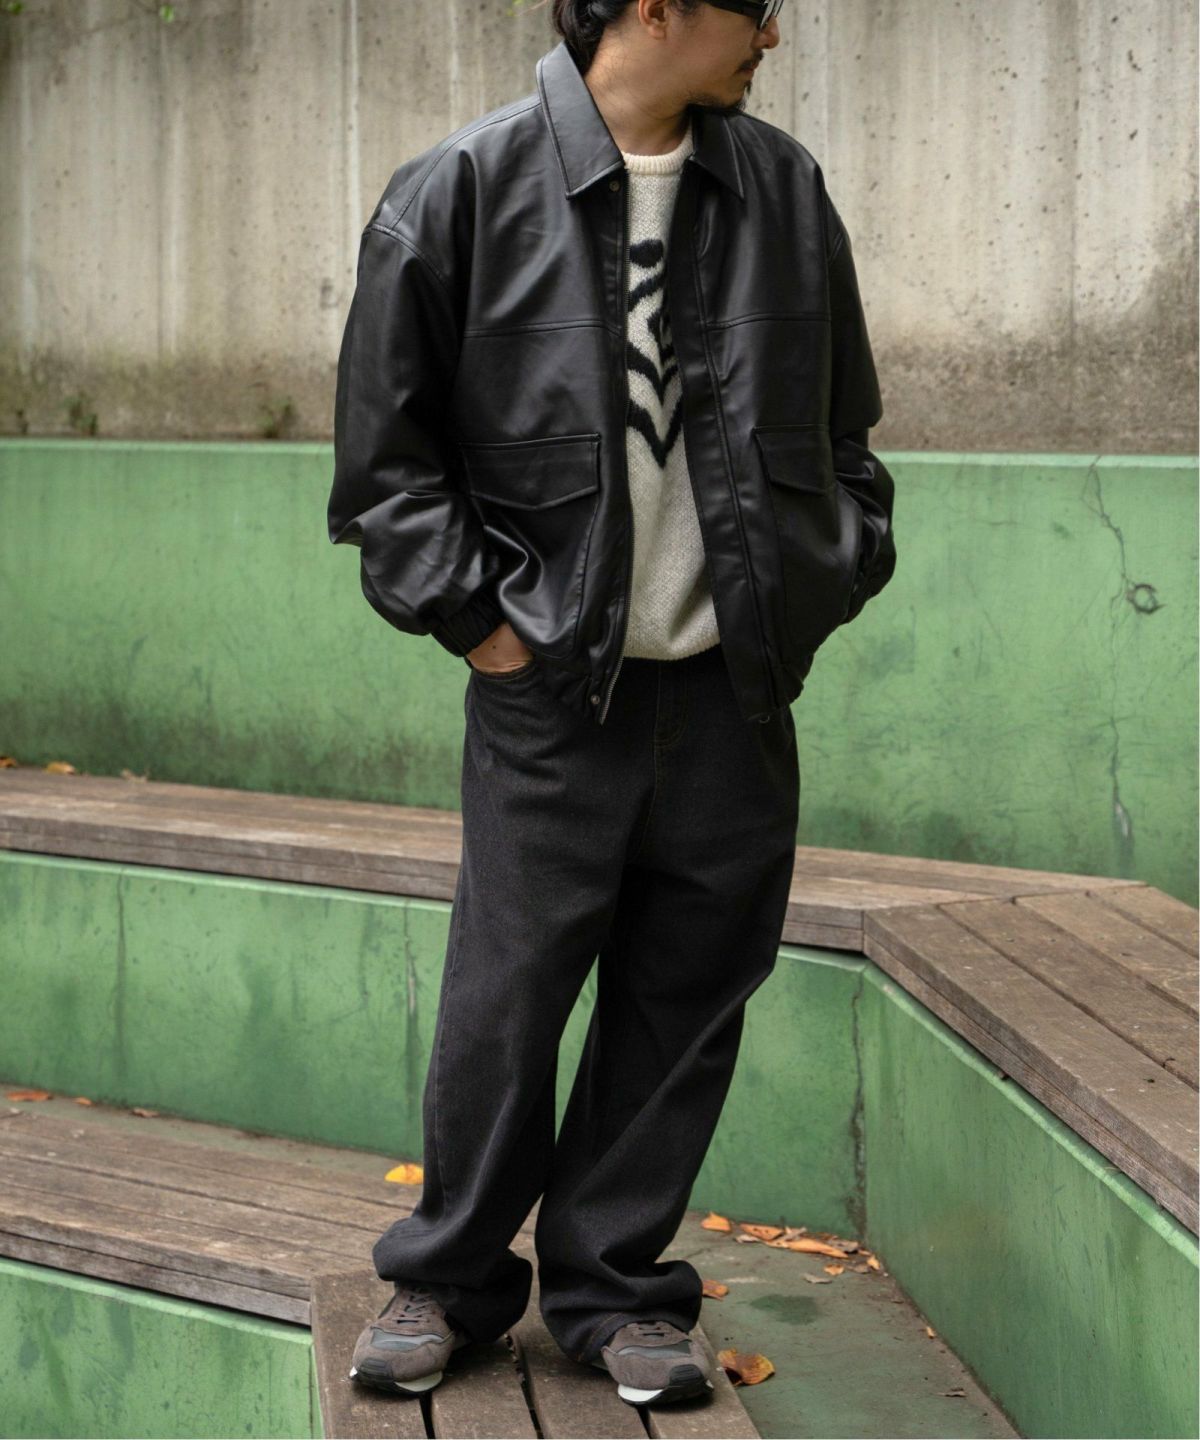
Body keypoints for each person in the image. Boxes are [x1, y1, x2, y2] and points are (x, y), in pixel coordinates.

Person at [327, 0, 896, 1411]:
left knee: (685, 999)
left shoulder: (782, 189)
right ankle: (450, 1277)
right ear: (656, 8)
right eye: (756, 8)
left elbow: (845, 434)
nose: (774, 34)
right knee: (507, 998)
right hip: (549, 694)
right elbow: (386, 471)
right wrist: (487, 636)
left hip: (732, 692)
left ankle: (615, 1287)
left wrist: (822, 583)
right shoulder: (459, 190)